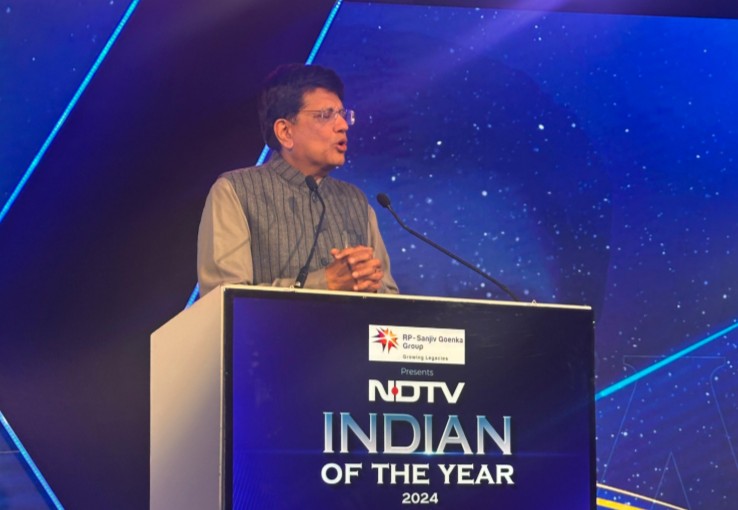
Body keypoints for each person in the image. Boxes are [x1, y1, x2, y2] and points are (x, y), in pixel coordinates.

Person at [197, 63, 399, 297]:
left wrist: (369, 285)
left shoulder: (356, 201)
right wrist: (325, 283)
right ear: (285, 132)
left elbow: (390, 296)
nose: (343, 126)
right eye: (326, 115)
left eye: (343, 115)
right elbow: (223, 299)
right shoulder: (235, 192)